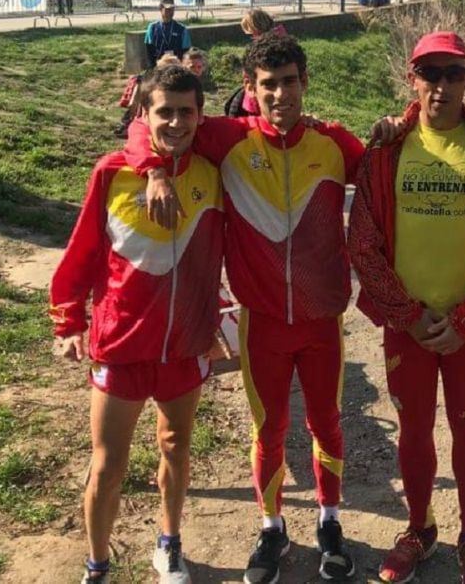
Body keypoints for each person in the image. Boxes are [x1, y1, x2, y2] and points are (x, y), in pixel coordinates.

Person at [128, 32, 365, 584]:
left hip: (322, 319)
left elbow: (387, 166)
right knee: (271, 427)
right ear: (249, 90)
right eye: (268, 85)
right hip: (261, 321)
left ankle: (329, 522)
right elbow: (148, 125)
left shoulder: (334, 144)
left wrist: (393, 128)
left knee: (327, 423)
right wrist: (156, 171)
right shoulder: (227, 138)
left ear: (305, 84)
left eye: (289, 83)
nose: (279, 94)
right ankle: (272, 526)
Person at [348, 30, 465, 584]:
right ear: (412, 79)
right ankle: (419, 529)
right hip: (410, 326)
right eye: (430, 74)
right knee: (414, 429)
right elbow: (364, 239)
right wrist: (408, 314)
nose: (440, 86)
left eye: (452, 74)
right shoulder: (386, 148)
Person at [49, 65, 225, 584]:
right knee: (107, 466)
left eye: (186, 112)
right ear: (143, 115)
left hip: (186, 343)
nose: (175, 122)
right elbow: (80, 254)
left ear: (200, 115)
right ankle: (97, 565)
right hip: (121, 343)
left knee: (176, 444)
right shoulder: (111, 172)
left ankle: (169, 544)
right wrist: (68, 322)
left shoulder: (216, 173)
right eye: (163, 112)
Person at [144, 0, 191, 67]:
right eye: (167, 9)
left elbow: (186, 52)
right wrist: (153, 68)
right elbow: (149, 51)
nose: (170, 12)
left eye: (172, 9)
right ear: (160, 8)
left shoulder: (182, 29)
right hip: (159, 66)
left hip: (177, 66)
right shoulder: (152, 27)